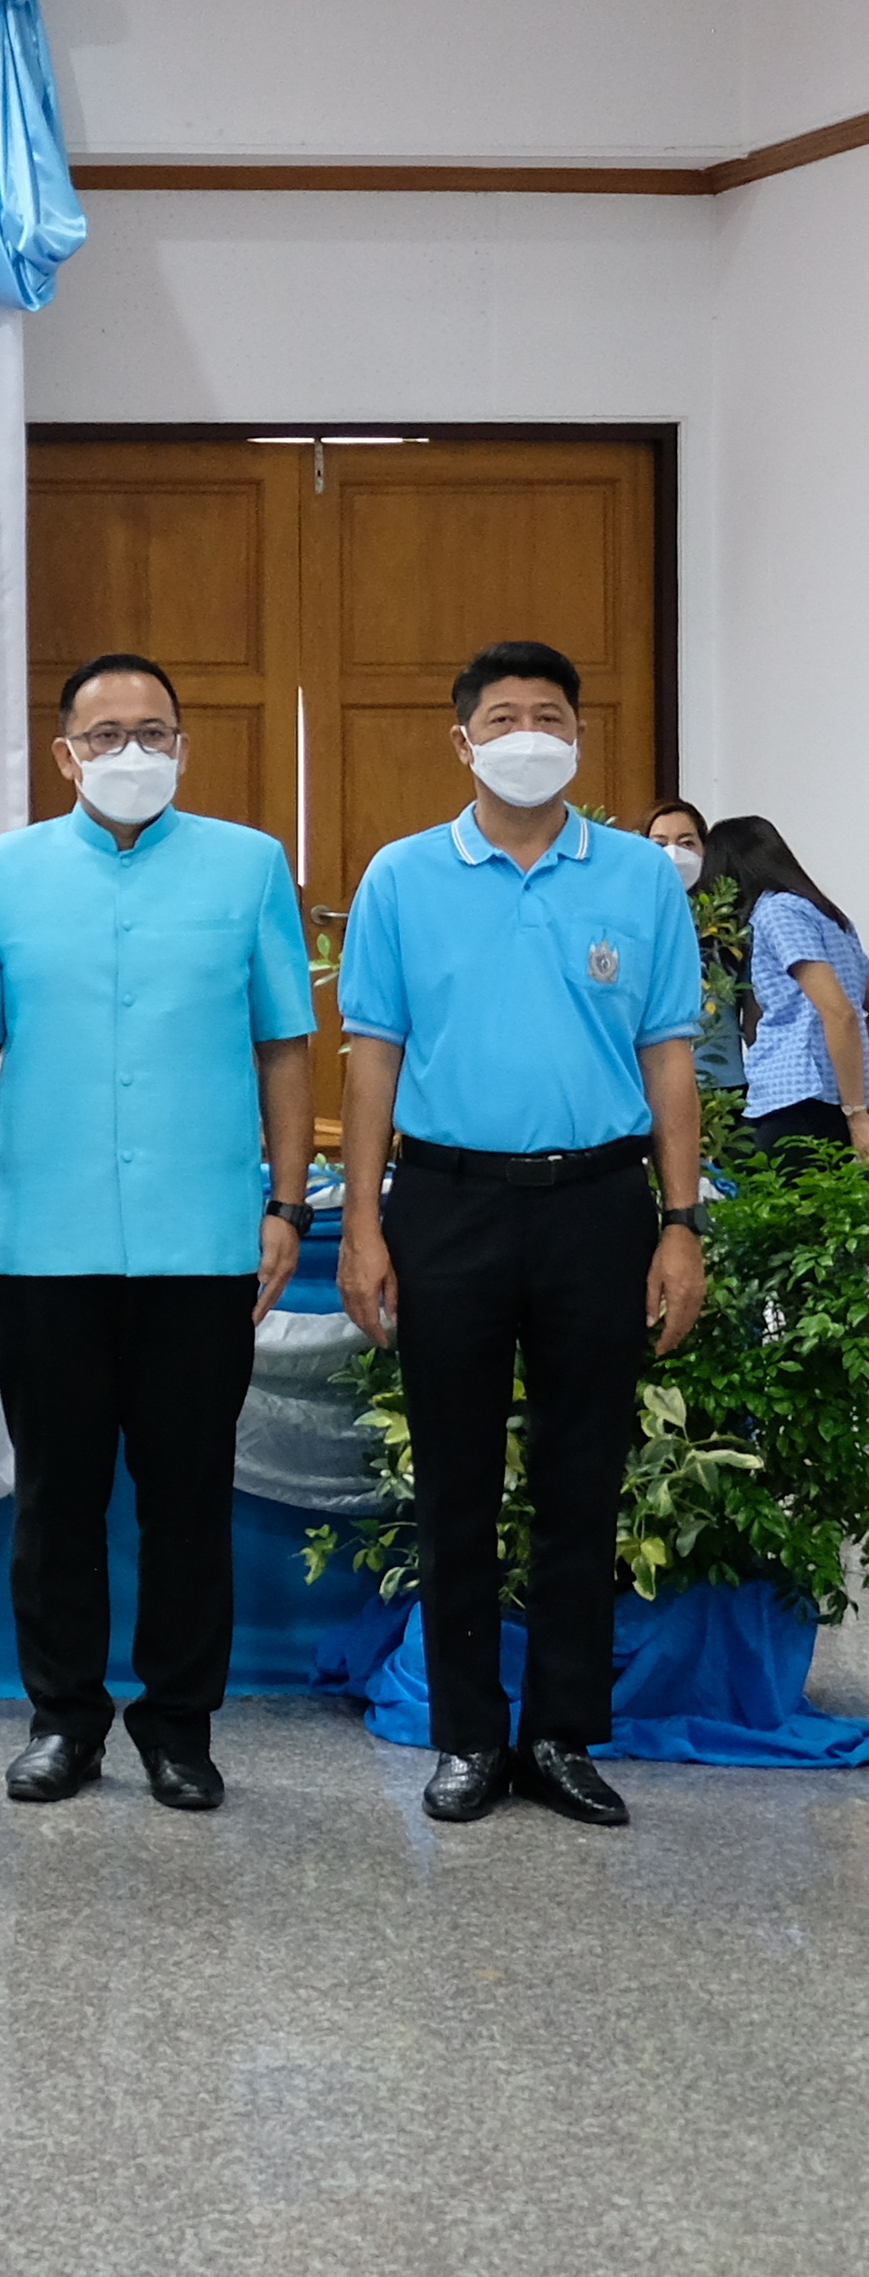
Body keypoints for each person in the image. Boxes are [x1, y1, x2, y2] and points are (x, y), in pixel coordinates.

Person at [342, 641, 712, 1828]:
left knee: (580, 1474)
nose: (524, 733)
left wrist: (679, 1221)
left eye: (547, 714)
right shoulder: (401, 877)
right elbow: (370, 1059)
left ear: (578, 736)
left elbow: (668, 1059)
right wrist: (359, 1222)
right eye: (500, 717)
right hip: (444, 1200)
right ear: (460, 741)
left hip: (596, 1205)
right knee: (452, 1476)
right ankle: (462, 1736)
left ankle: (555, 1733)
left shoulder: (638, 880)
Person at [0, 656, 317, 1814]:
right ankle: (62, 1719)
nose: (129, 753)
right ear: (62, 755)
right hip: (42, 1242)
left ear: (183, 745)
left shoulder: (247, 864)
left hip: (198, 1240)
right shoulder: (0, 874)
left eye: (152, 732)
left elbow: (283, 1043)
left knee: (186, 1498)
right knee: (56, 1497)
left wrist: (286, 1202)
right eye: (103, 735)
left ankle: (177, 1724)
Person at [706, 815, 866, 1155]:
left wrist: (857, 1114)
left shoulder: (778, 912)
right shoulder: (829, 914)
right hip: (837, 1090)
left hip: (799, 1094)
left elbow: (840, 1013)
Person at [648, 801, 746, 1097]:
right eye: (659, 843)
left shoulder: (729, 924)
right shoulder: (632, 920)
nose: (675, 853)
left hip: (722, 1084)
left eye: (687, 842)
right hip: (653, 1082)